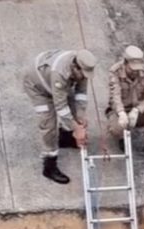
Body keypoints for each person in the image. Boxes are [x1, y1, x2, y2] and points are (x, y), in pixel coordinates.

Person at [23, 48, 97, 184]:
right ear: (75, 67)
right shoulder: (60, 73)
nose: (84, 77)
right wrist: (77, 129)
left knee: (73, 111)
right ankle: (49, 165)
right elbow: (60, 107)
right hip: (38, 88)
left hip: (58, 85)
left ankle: (65, 138)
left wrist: (80, 115)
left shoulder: (83, 68)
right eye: (83, 74)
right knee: (48, 123)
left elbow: (81, 93)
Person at [106, 45, 144, 165]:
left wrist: (137, 110)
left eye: (137, 69)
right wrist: (121, 113)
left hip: (138, 110)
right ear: (125, 63)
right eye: (132, 68)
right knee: (116, 128)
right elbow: (115, 95)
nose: (135, 72)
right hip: (121, 109)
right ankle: (122, 139)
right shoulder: (115, 72)